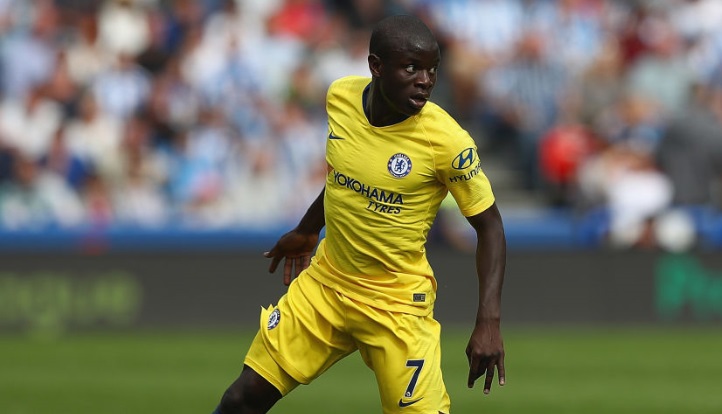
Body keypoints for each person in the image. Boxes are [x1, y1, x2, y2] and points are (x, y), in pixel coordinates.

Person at [211, 14, 507, 414]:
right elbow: (344, 176)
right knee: (241, 399)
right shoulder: (341, 98)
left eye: (432, 70)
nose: (425, 80)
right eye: (411, 68)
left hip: (396, 304)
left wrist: (488, 321)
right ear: (376, 66)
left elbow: (490, 227)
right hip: (327, 285)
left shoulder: (447, 141)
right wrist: (308, 229)